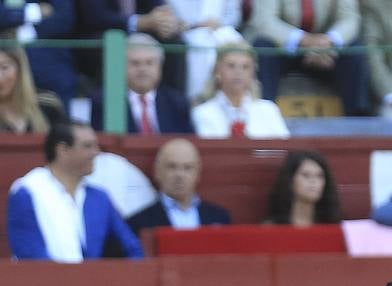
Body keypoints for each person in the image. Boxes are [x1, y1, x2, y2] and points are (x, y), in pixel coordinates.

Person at [7, 120, 144, 261]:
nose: (96, 152)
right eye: (87, 146)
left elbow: (132, 248)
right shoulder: (28, 191)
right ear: (63, 150)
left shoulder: (99, 198)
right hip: (43, 281)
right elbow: (30, 255)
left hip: (89, 280)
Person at [249, 0, 369, 117]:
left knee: (355, 50)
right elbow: (265, 20)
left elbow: (350, 18)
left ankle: (357, 118)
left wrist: (329, 41)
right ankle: (264, 116)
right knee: (263, 45)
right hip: (286, 46)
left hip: (327, 50)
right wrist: (304, 40)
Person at [92, 34, 195, 134]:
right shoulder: (105, 102)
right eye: (135, 63)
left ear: (160, 66)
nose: (143, 69)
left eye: (149, 63)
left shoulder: (177, 103)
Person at [128, 138, 232, 232]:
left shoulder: (220, 218)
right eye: (172, 167)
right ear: (157, 171)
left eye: (187, 167)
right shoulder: (139, 224)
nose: (179, 175)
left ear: (198, 173)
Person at [192, 41, 291, 138]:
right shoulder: (202, 112)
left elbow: (284, 148)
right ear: (217, 71)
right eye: (231, 66)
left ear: (253, 73)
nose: (238, 72)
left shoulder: (268, 109)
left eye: (245, 67)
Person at [4, 0, 76, 110]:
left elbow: (63, 19)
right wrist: (33, 11)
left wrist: (23, 31)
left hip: (43, 56)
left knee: (61, 79)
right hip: (4, 47)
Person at [169, 0, 243, 100]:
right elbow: (172, 17)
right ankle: (197, 99)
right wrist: (198, 25)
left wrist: (218, 24)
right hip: (186, 33)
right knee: (199, 43)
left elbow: (233, 15)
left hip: (220, 31)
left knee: (235, 44)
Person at [264, 150, 342, 226]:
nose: (313, 181)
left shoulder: (336, 226)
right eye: (306, 175)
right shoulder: (273, 227)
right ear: (290, 181)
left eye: (319, 176)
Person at [0, 45, 63, 134]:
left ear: (21, 69)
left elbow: (64, 144)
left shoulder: (47, 103)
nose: (0, 77)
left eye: (4, 67)